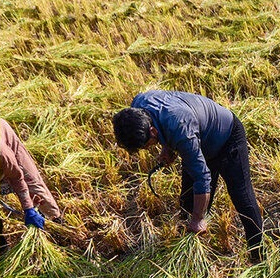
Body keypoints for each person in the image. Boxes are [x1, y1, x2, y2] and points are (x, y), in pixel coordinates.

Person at [112, 90, 265, 263]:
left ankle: (258, 255)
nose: (147, 149)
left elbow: (202, 177)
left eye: (147, 145)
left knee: (241, 197)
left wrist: (198, 219)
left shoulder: (180, 127)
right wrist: (167, 147)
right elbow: (164, 123)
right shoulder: (138, 106)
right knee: (188, 201)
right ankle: (194, 252)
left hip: (227, 137)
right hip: (196, 136)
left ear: (152, 131)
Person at [1, 118, 62, 230]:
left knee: (34, 187)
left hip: (8, 145)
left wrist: (28, 209)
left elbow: (17, 178)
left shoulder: (2, 153)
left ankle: (57, 223)